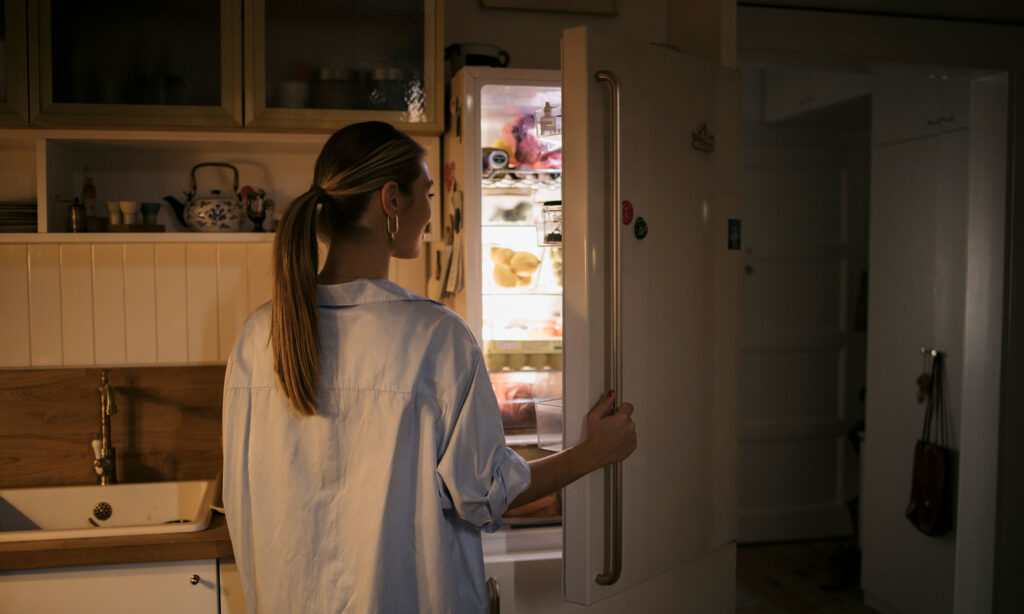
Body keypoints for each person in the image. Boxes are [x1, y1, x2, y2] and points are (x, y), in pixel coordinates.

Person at [222, 121, 637, 613]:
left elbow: (243, 494)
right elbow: (484, 494)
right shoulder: (436, 336)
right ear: (391, 201)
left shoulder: (257, 336)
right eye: (428, 193)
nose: (430, 211)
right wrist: (593, 453)